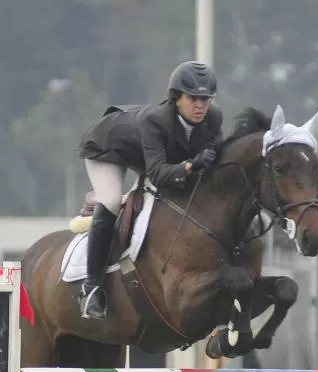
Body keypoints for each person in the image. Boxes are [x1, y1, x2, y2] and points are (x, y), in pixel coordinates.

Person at [75, 60, 224, 320]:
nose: (201, 105)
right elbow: (157, 173)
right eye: (193, 98)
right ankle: (91, 288)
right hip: (108, 148)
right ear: (177, 97)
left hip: (147, 154)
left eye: (206, 99)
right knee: (110, 201)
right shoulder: (156, 120)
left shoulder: (214, 118)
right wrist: (190, 165)